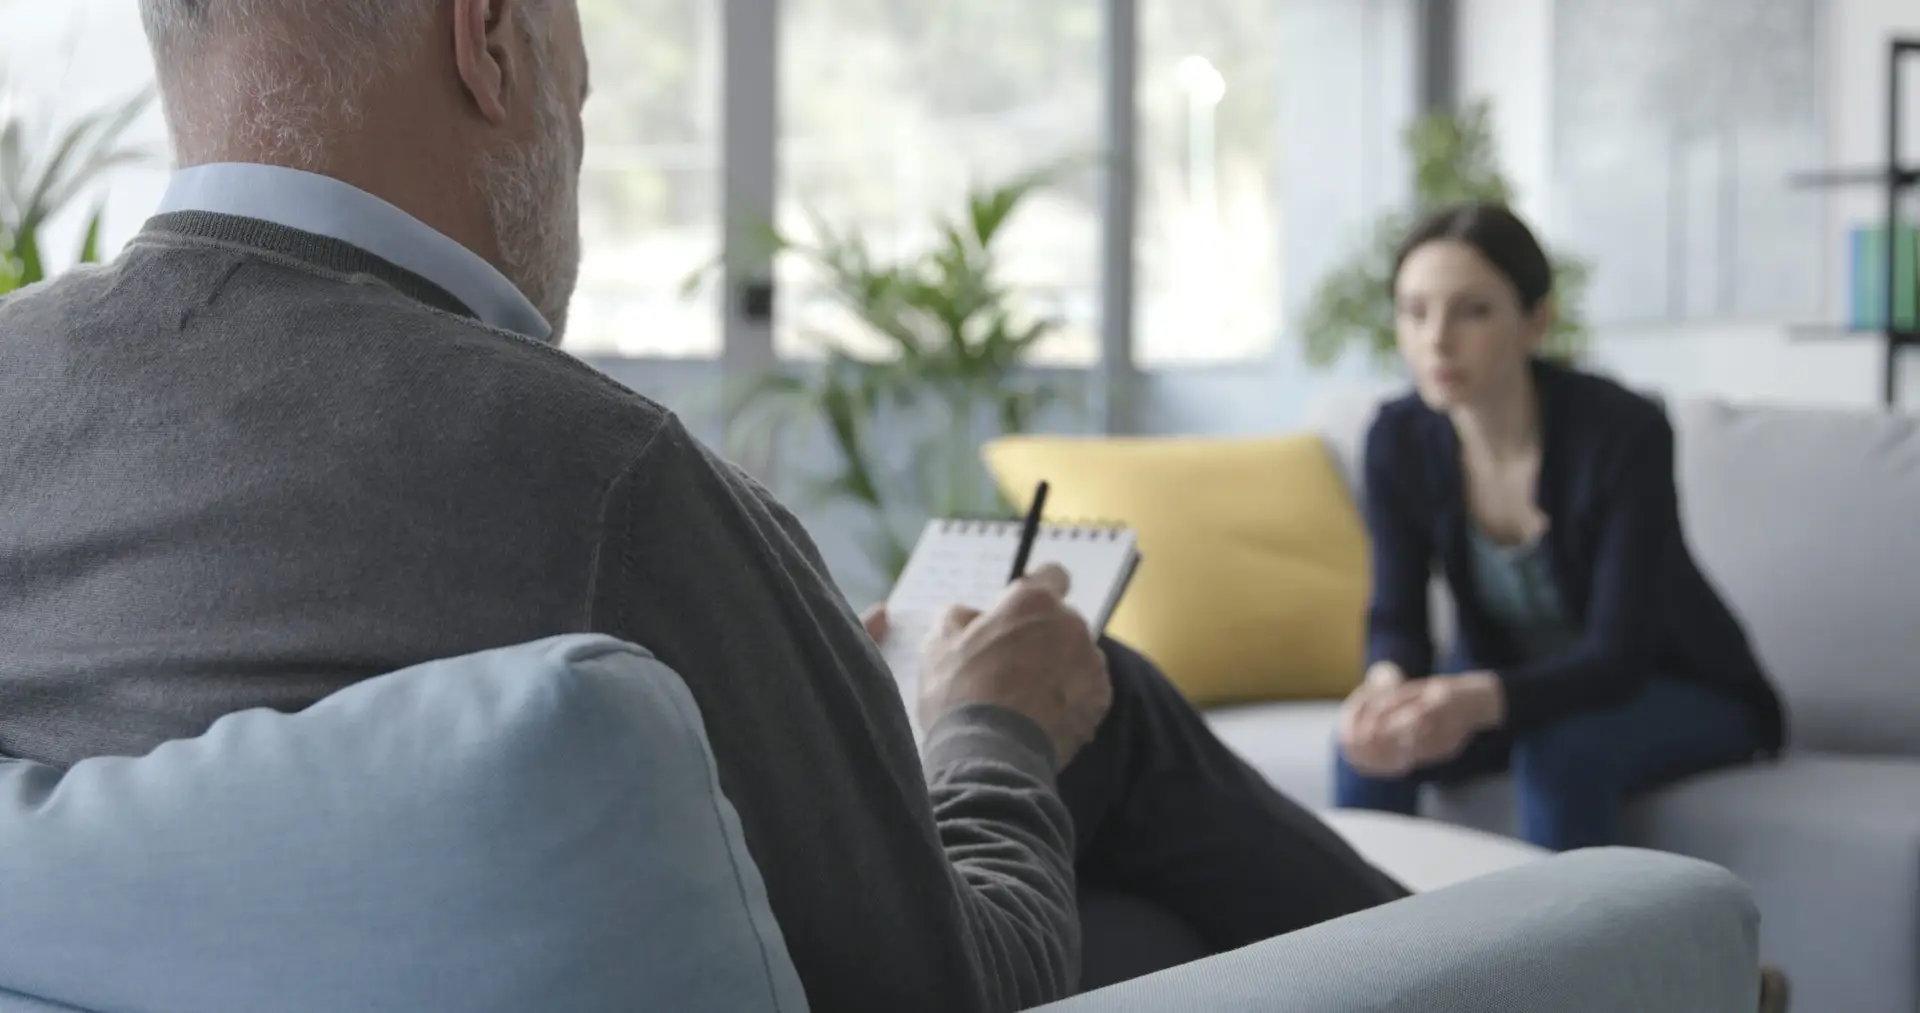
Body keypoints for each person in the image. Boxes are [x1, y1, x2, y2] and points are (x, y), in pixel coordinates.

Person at [0, 2, 1407, 1010]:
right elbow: (954, 983)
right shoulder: (597, 476)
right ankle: (1515, 961)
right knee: (1097, 703)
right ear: (487, 43)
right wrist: (994, 724)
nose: (579, 140)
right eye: (585, 88)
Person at [1334, 201, 1789, 853]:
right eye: (1414, 311)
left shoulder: (1623, 433)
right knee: (1368, 748)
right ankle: (1362, 926)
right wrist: (1385, 689)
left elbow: (1618, 655)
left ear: (1535, 320)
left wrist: (1472, 700)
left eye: (1472, 310)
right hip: (1514, 683)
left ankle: (1570, 928)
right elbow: (1396, 617)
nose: (1436, 339)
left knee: (1560, 754)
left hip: (1675, 684)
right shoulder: (1397, 438)